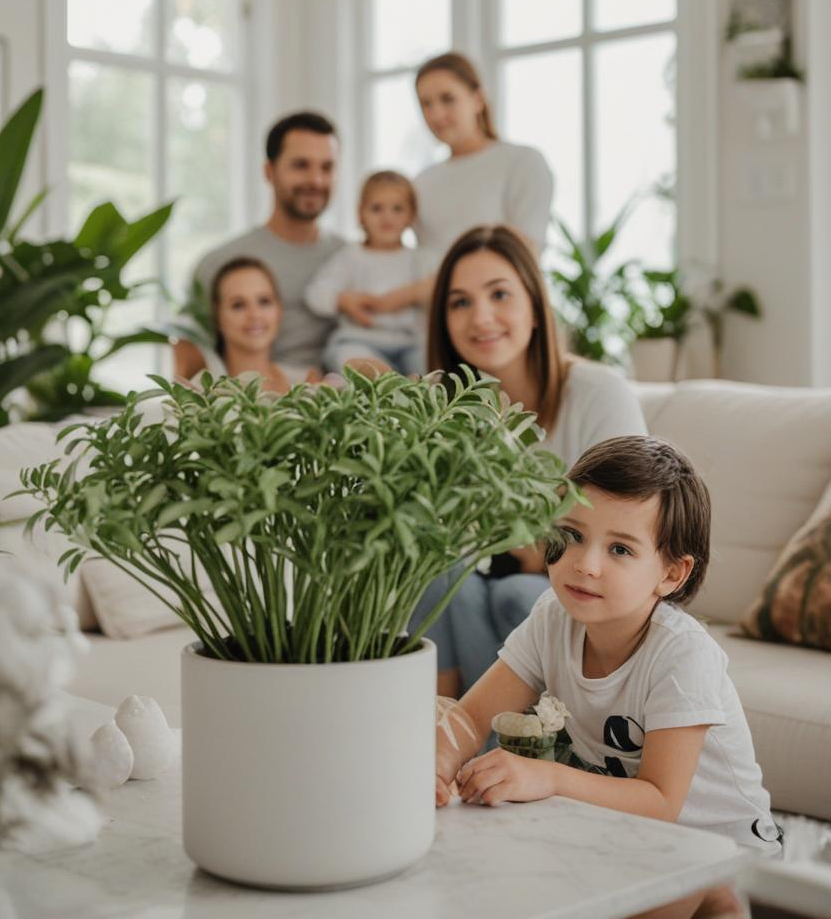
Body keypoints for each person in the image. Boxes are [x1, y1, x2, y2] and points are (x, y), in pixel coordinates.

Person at [435, 435, 781, 919]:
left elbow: (661, 800)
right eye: (572, 534)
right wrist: (438, 761)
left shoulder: (683, 656)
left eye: (620, 549)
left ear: (672, 575)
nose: (585, 564)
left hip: (722, 851)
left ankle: (724, 905)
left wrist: (550, 777)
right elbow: (470, 718)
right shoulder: (552, 615)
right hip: (628, 833)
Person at [411, 224, 646, 699]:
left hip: (584, 591)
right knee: (436, 578)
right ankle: (443, 739)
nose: (481, 317)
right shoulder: (446, 407)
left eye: (499, 294)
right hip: (482, 583)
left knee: (520, 596)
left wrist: (527, 548)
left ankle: (490, 751)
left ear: (536, 307)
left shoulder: (599, 393)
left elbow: (628, 538)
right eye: (460, 302)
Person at [359, 52, 554, 323]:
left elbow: (524, 256)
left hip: (505, 323)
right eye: (425, 104)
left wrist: (409, 294)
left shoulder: (522, 162)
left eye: (447, 99)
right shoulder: (421, 183)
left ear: (477, 99)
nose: (436, 113)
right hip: (440, 327)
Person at [173, 111, 342, 379]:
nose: (316, 180)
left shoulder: (349, 258)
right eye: (301, 165)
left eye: (327, 167)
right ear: (269, 172)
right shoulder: (220, 264)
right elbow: (187, 357)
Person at [303, 171, 428, 375]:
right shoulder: (351, 257)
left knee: (429, 362)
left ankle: (414, 388)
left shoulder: (419, 260)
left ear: (411, 215)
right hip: (359, 339)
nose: (387, 217)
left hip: (410, 343)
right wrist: (342, 300)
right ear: (361, 214)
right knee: (350, 358)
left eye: (397, 209)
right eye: (377, 208)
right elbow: (315, 293)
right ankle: (387, 381)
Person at [192, 257, 315, 392]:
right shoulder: (200, 392)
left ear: (279, 310)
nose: (255, 314)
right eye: (238, 305)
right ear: (217, 315)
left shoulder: (307, 383)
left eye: (264, 301)